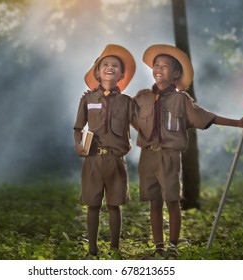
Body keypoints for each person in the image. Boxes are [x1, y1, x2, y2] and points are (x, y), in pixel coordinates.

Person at [132, 44, 243, 259]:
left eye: (165, 66)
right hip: (148, 156)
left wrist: (237, 122)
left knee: (171, 200)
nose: (159, 69)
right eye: (156, 65)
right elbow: (123, 112)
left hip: (169, 156)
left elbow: (208, 117)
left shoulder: (181, 100)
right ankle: (158, 247)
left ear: (176, 73)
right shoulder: (141, 97)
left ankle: (173, 247)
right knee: (154, 201)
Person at [73, 44, 136, 258]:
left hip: (116, 161)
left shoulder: (127, 102)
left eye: (115, 66)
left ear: (121, 74)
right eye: (105, 65)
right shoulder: (87, 99)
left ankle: (115, 249)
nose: (110, 68)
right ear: (97, 72)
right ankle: (92, 250)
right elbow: (78, 127)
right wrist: (78, 145)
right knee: (92, 205)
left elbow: (142, 125)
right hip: (93, 159)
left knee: (114, 205)